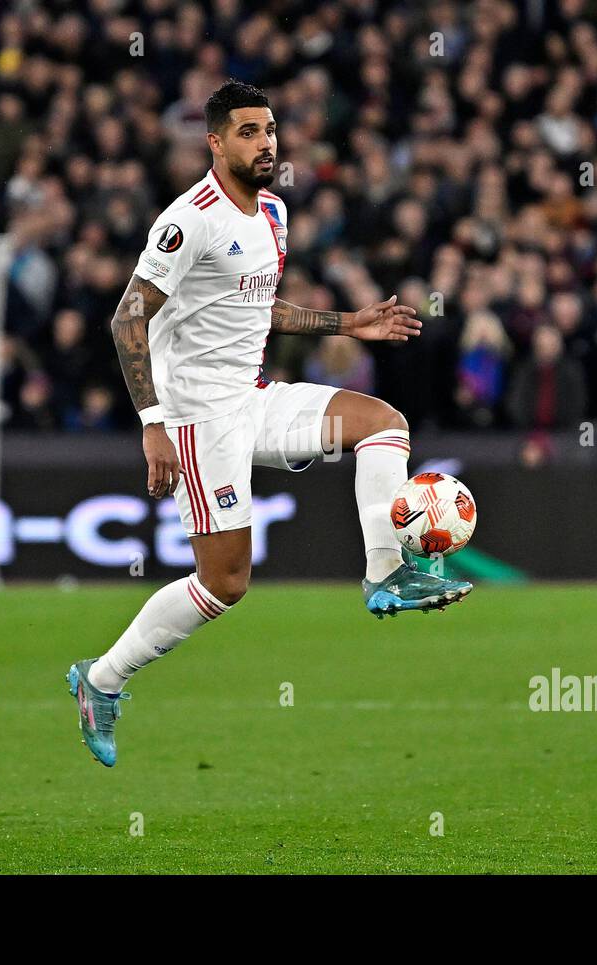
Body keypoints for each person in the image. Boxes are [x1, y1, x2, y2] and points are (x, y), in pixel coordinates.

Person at [65, 81, 472, 767]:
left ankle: (386, 574)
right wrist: (153, 422)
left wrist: (350, 322)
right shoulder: (187, 219)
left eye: (271, 130)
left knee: (382, 423)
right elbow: (126, 315)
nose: (266, 143)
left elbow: (259, 308)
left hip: (252, 396)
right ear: (216, 142)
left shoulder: (275, 213)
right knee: (225, 583)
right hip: (197, 417)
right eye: (249, 132)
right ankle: (100, 680)